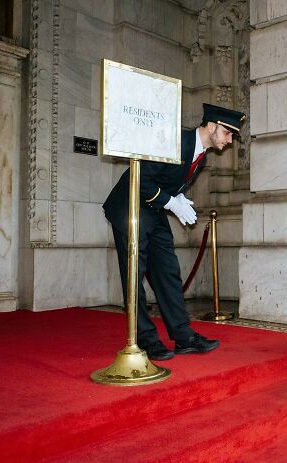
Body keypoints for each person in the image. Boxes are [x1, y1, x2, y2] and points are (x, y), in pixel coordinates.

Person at [103, 103, 246, 361]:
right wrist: (171, 202)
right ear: (211, 126)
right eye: (228, 132)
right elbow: (141, 179)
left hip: (152, 207)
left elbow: (167, 180)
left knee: (168, 270)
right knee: (134, 274)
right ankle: (144, 340)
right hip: (129, 206)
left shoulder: (200, 155)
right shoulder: (174, 141)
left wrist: (178, 198)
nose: (230, 139)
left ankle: (183, 336)